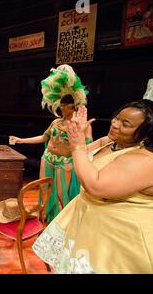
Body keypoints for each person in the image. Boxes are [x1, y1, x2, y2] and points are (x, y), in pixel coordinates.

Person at [33, 100, 153, 273]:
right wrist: (77, 135)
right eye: (117, 118)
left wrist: (78, 144)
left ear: (145, 135)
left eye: (125, 124)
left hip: (120, 243)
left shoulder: (144, 160)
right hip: (90, 227)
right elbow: (77, 156)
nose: (114, 124)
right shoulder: (111, 142)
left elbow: (96, 185)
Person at [9, 64, 92, 222]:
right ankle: (45, 218)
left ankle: (67, 223)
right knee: (44, 188)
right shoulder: (56, 122)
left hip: (64, 162)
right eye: (60, 105)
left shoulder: (81, 125)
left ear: (72, 105)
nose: (60, 107)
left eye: (63, 105)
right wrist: (21, 140)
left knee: (62, 194)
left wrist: (80, 132)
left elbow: (88, 147)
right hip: (47, 158)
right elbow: (43, 138)